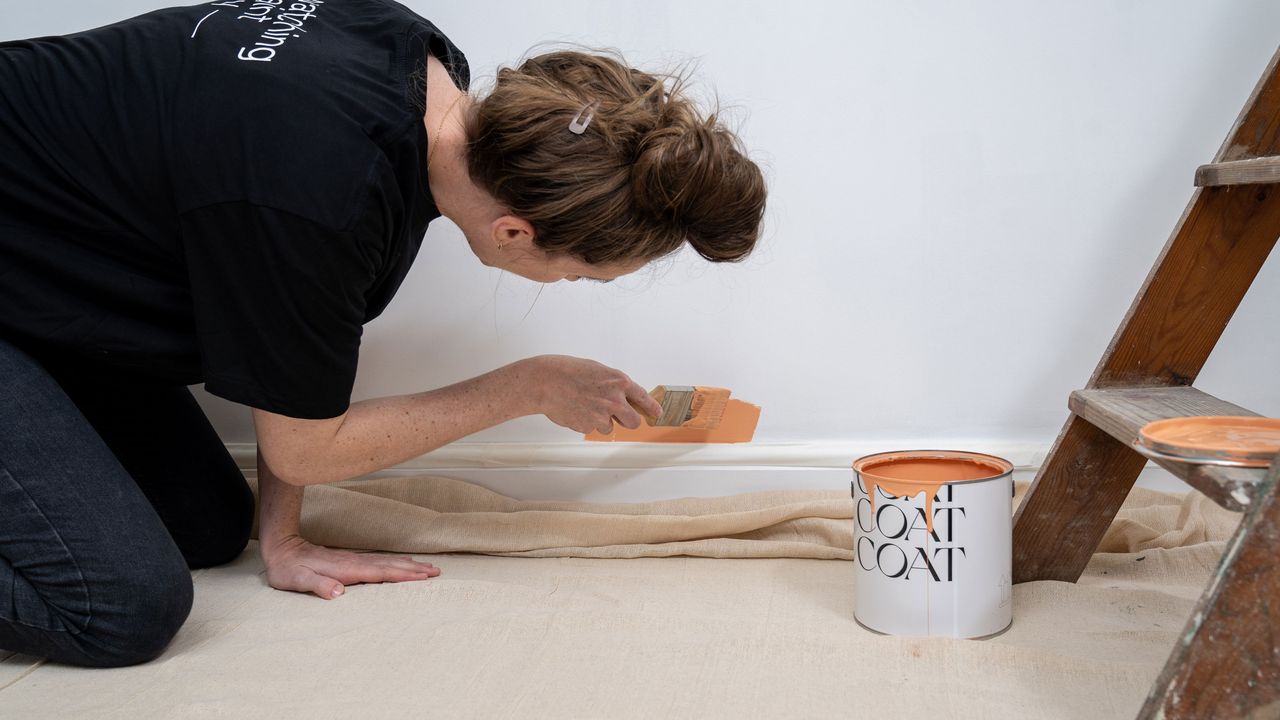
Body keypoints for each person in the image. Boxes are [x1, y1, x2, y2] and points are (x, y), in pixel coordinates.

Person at [0, 0, 766, 668]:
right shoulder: (317, 197)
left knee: (207, 527)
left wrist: (284, 538)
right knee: (122, 610)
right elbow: (306, 446)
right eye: (578, 275)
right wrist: (526, 386)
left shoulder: (414, 59)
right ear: (512, 232)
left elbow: (289, 366)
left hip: (42, 271)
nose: (568, 287)